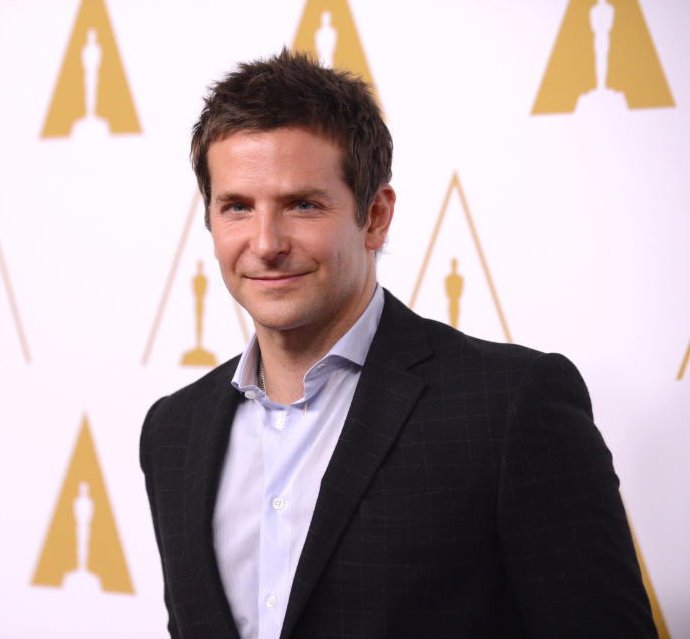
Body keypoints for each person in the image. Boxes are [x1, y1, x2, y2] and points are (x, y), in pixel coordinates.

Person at [139, 49, 656, 638]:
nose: (265, 243)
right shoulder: (172, 432)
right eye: (237, 207)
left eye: (301, 204)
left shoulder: (510, 407)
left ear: (375, 216)